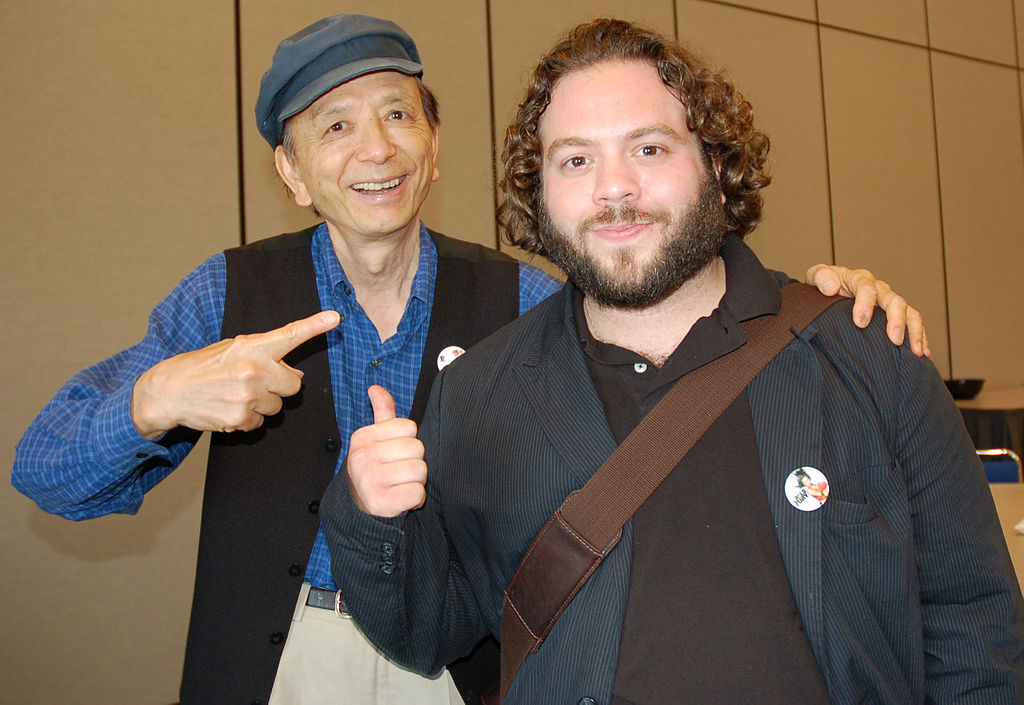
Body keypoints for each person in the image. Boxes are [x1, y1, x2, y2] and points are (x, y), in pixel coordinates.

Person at [11, 12, 921, 705]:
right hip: (274, 653)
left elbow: (675, 331)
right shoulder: (223, 296)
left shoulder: (524, 300)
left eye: (398, 114)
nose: (376, 148)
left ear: (434, 145)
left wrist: (819, 299)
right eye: (333, 128)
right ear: (290, 173)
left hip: (461, 659)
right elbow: (43, 471)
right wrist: (154, 396)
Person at [323, 18, 1024, 705]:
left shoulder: (866, 352)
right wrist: (373, 519)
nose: (614, 187)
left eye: (650, 149)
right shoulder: (479, 395)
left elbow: (976, 627)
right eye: (575, 159)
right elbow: (427, 633)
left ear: (716, 167)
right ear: (539, 194)